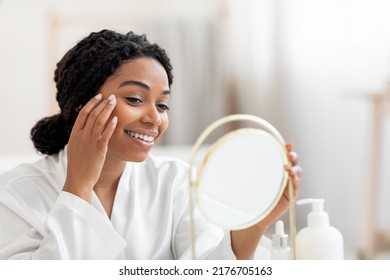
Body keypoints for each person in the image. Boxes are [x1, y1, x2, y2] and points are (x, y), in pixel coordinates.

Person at [0, 29, 302, 260]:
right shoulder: (15, 194)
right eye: (135, 99)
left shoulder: (176, 182)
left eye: (162, 105)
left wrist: (250, 229)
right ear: (82, 104)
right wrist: (78, 188)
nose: (154, 119)